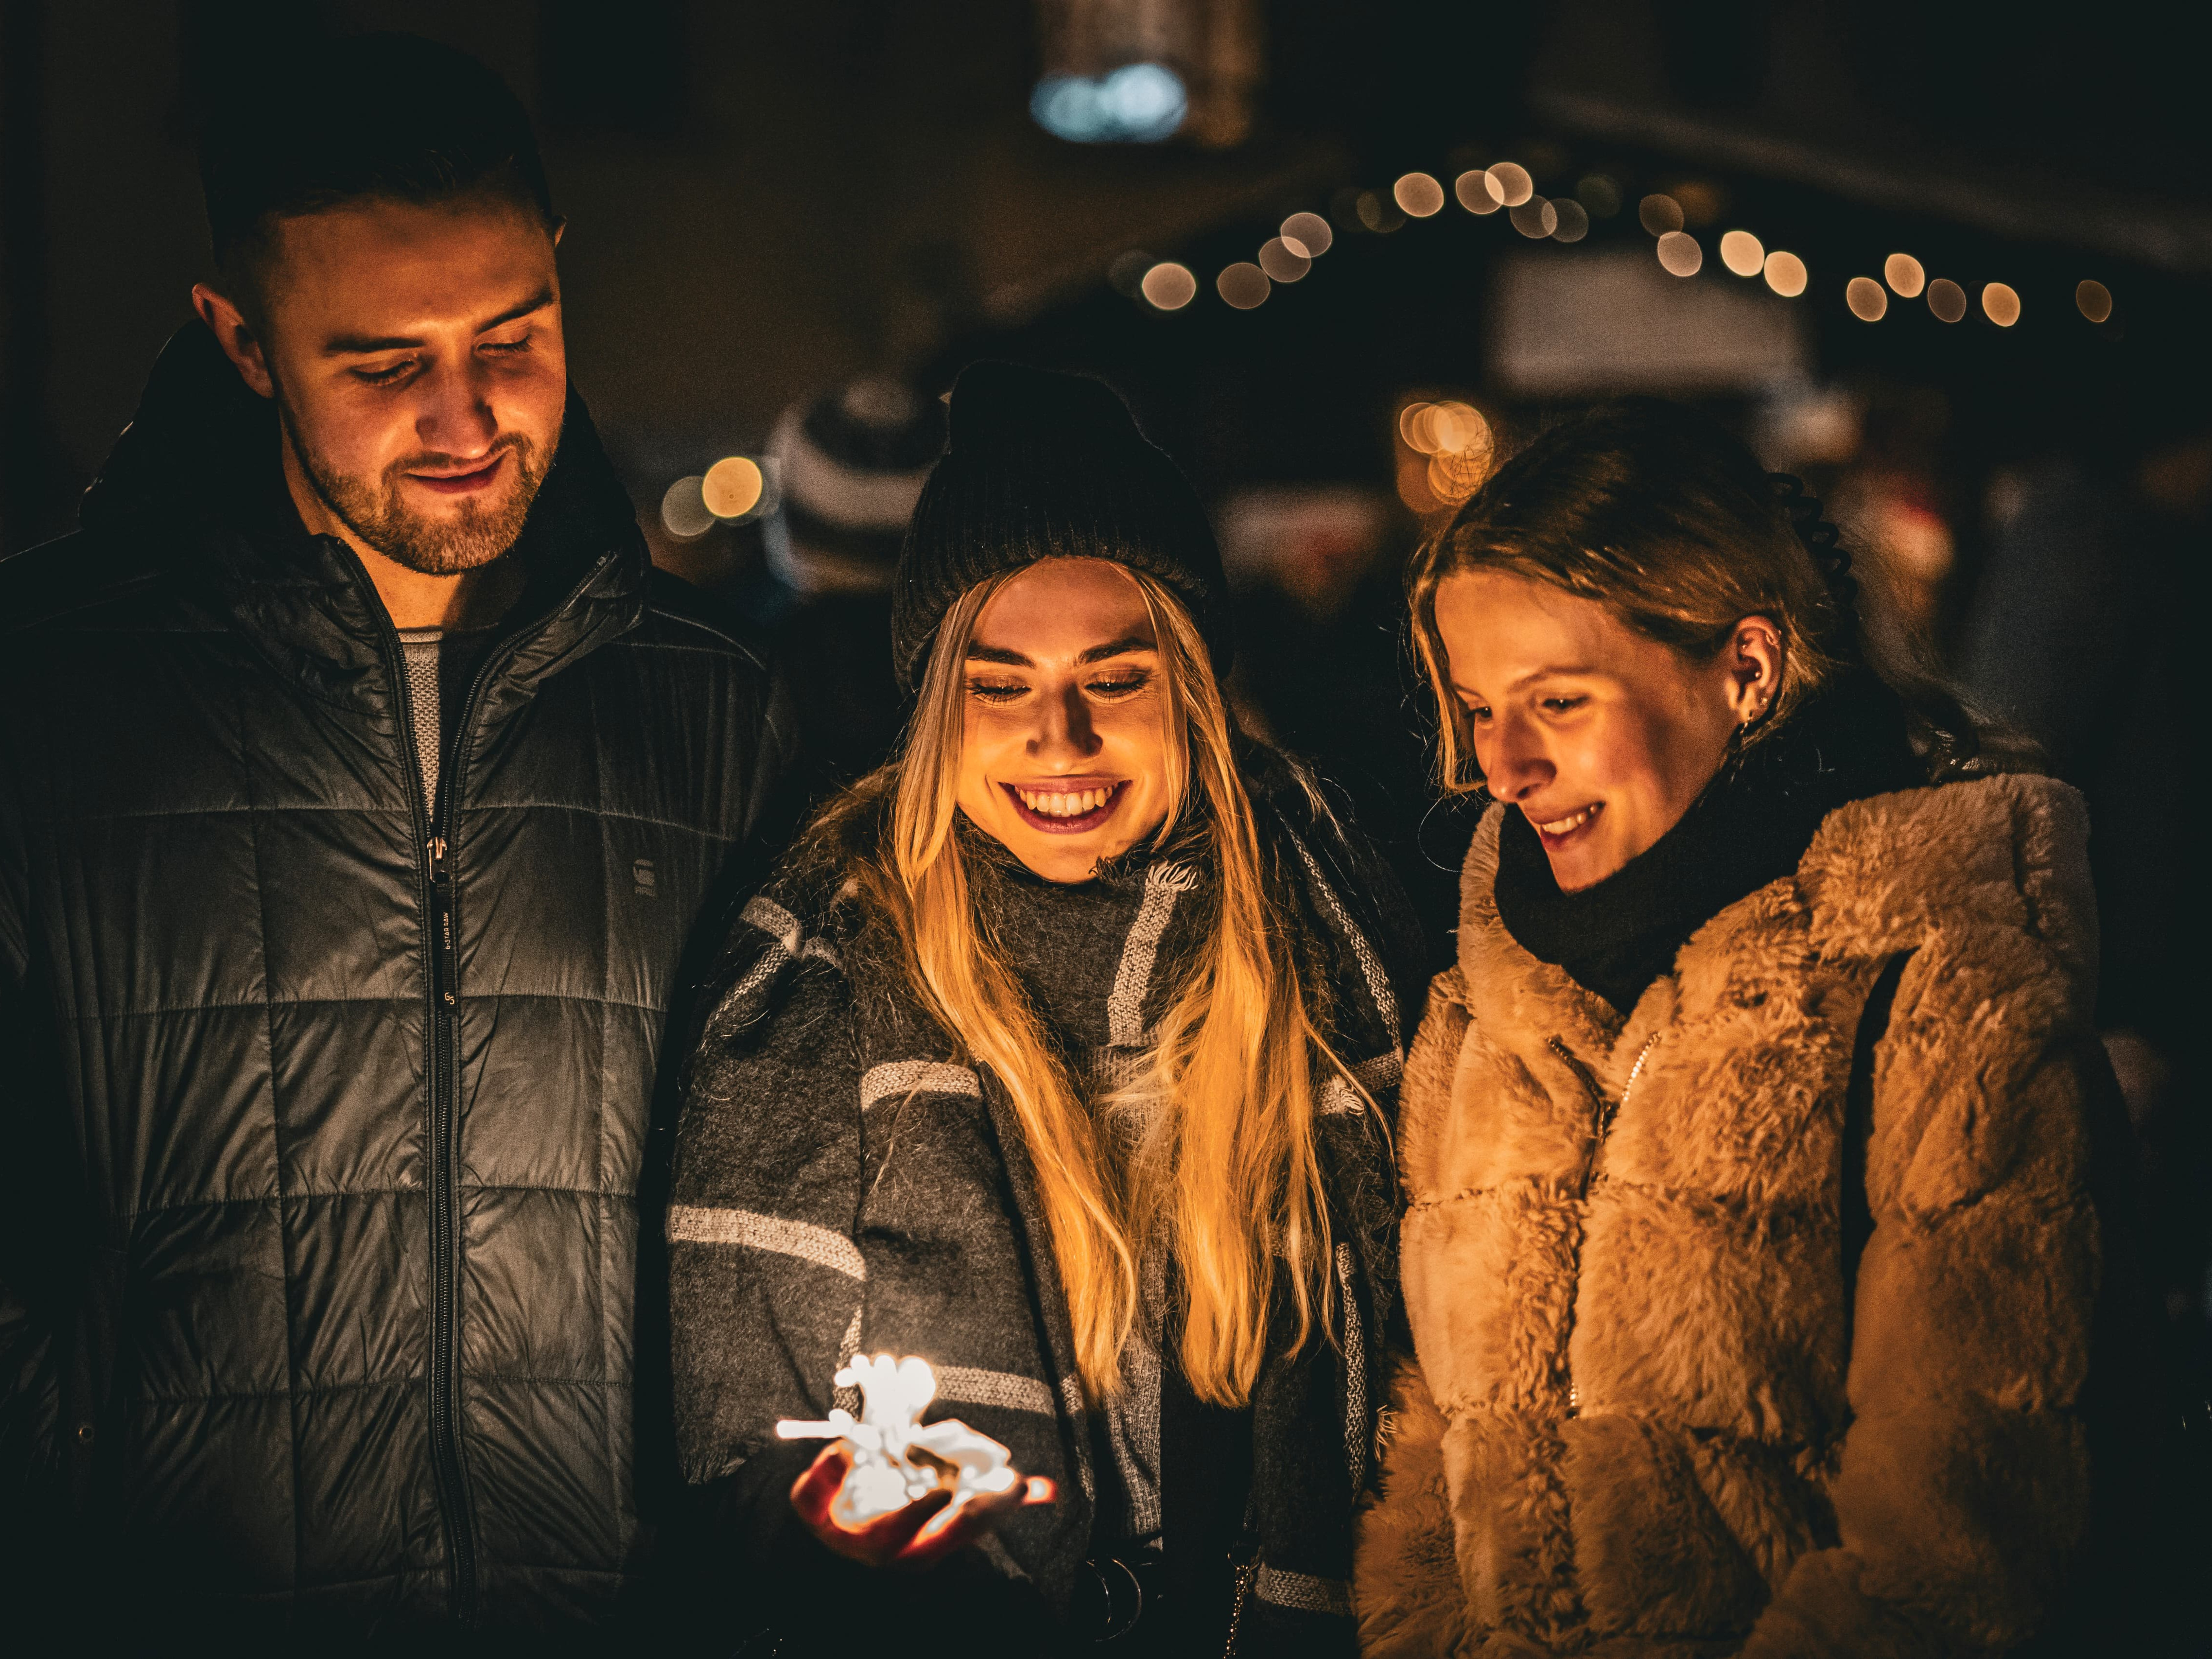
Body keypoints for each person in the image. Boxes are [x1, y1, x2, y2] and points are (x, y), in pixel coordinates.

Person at [0, 34, 792, 1642]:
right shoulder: (47, 702)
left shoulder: (719, 717)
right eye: (381, 365)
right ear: (238, 339)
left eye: (514, 335)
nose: (466, 415)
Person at [1356, 401, 2146, 1654]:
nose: (1500, 767)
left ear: (1749, 670)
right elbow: (1436, 1439)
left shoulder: (1928, 987)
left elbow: (1953, 1533)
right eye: (1476, 705)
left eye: (1557, 703)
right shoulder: (1488, 1004)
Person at [666, 362, 1425, 1653]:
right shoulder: (814, 985)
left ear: (1189, 688)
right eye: (1000, 684)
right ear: (936, 709)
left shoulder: (1341, 946)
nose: (1059, 739)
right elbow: (726, 1461)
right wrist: (821, 1535)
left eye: (1114, 679)